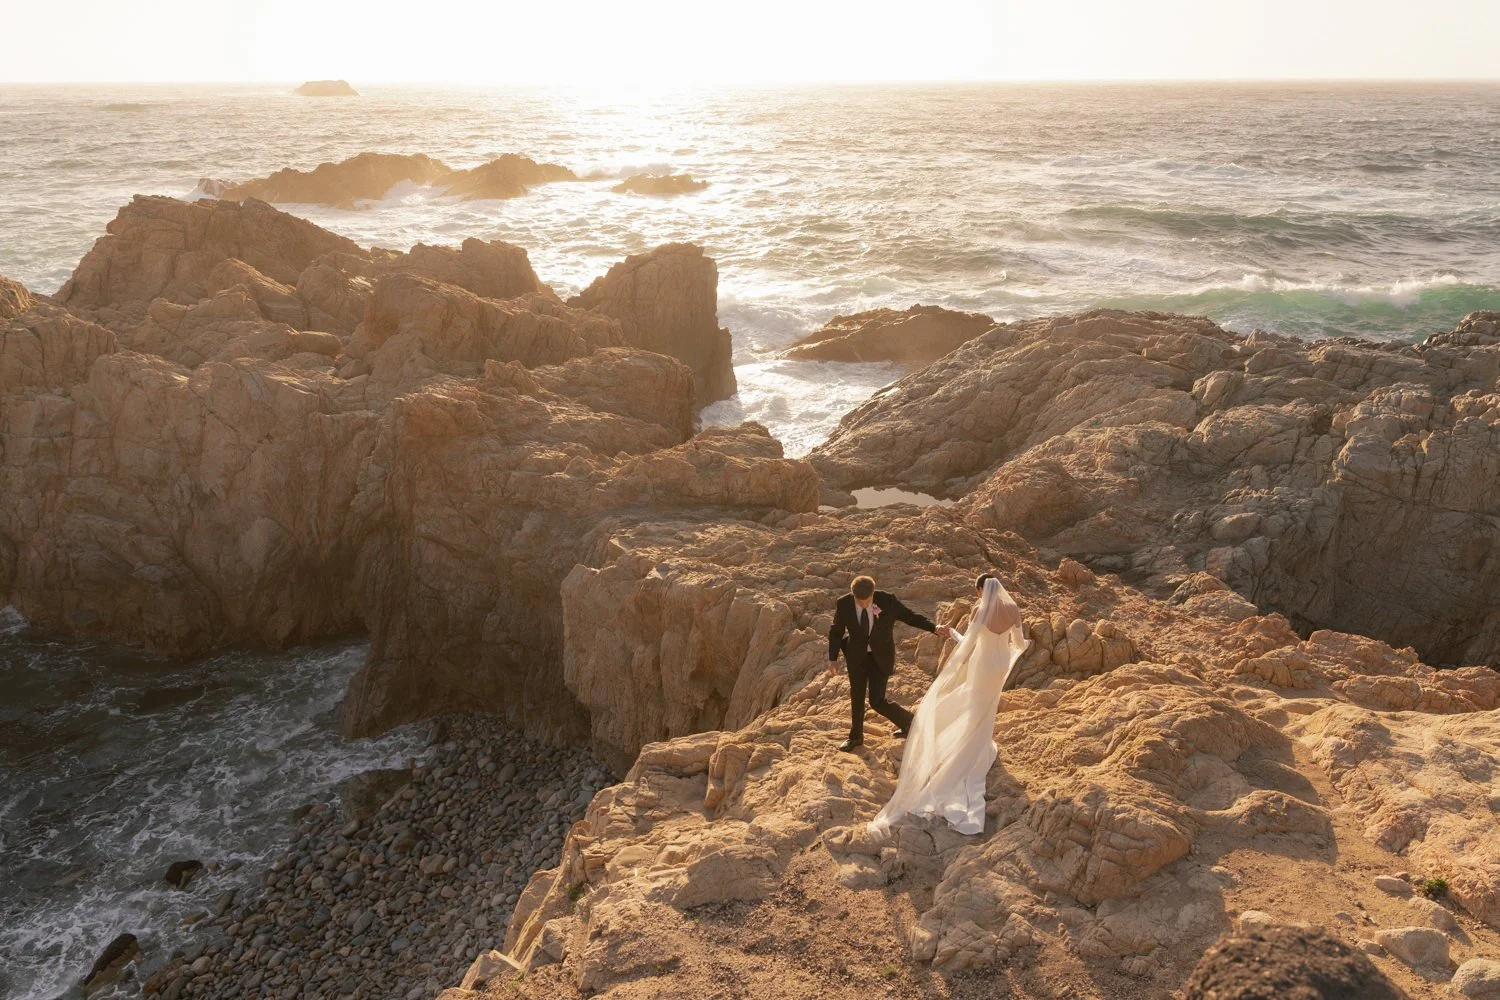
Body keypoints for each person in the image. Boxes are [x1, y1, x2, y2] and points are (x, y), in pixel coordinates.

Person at [869, 572, 1030, 835]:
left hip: (982, 664)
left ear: (981, 590)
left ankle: (968, 747)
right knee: (988, 707)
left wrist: (954, 632)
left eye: (977, 591)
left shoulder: (980, 609)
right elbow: (1020, 642)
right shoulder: (1013, 608)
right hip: (1000, 665)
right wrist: (1019, 647)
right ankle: (980, 743)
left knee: (975, 705)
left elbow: (969, 644)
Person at [826, 575, 942, 752]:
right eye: (860, 602)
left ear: (873, 593)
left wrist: (933, 628)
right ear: (853, 595)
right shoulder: (843, 604)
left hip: (880, 656)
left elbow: (910, 617)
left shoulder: (887, 601)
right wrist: (832, 658)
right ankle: (855, 737)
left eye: (868, 601)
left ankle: (909, 722)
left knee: (877, 700)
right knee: (856, 696)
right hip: (856, 656)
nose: (864, 605)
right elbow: (836, 631)